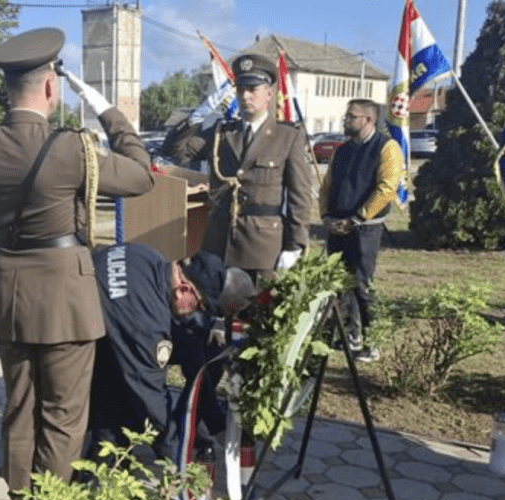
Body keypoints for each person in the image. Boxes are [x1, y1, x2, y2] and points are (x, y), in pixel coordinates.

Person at [0, 27, 155, 500]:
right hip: (66, 299)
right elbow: (140, 175)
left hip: (11, 300)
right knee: (63, 419)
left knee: (20, 413)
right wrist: (109, 112)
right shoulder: (70, 148)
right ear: (50, 89)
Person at [87, 244, 247, 459]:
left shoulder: (150, 257)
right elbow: (150, 395)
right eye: (200, 306)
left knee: (200, 341)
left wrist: (215, 422)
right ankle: (99, 469)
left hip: (100, 325)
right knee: (124, 404)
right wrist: (178, 461)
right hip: (73, 346)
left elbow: (190, 343)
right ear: (183, 290)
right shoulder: (146, 322)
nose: (198, 312)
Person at [163, 53, 312, 280]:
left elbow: (299, 197)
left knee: (257, 310)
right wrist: (196, 117)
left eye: (253, 89)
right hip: (219, 241)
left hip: (263, 246)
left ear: (269, 94)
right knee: (217, 309)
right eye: (241, 89)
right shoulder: (222, 132)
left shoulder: (287, 136)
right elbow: (177, 152)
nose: (245, 96)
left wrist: (295, 244)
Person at [319, 99, 403, 362]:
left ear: (367, 120)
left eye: (351, 116)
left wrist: (357, 217)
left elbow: (387, 187)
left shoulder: (386, 147)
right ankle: (348, 336)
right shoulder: (342, 150)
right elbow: (327, 185)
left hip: (365, 228)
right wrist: (325, 216)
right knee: (340, 284)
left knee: (362, 284)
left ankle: (371, 341)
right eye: (347, 115)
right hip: (337, 226)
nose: (346, 120)